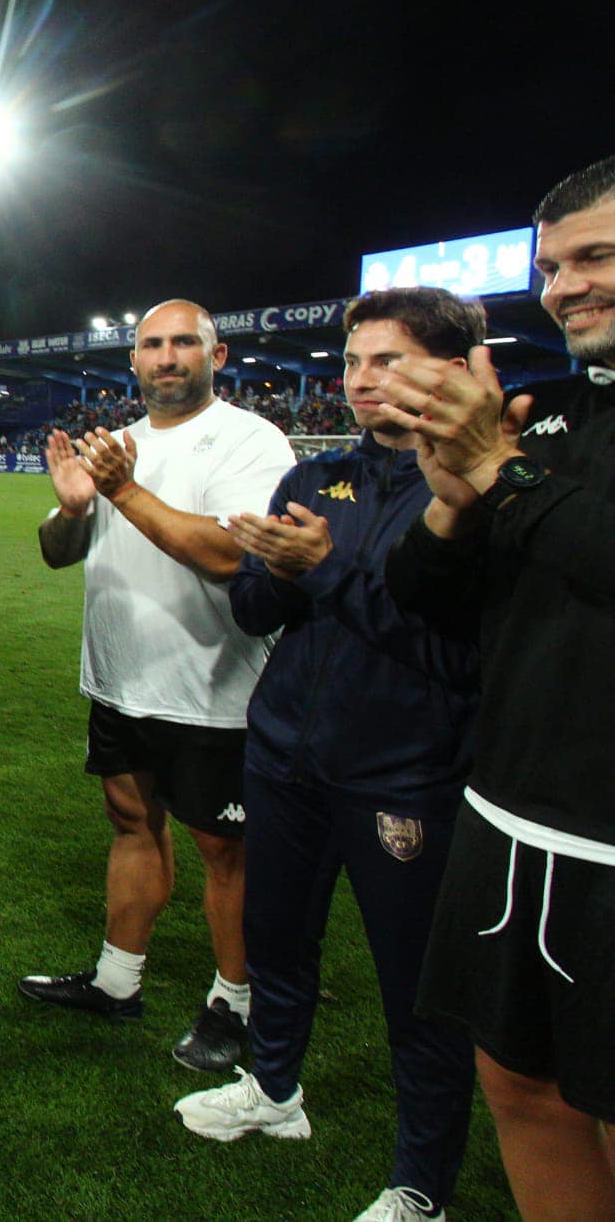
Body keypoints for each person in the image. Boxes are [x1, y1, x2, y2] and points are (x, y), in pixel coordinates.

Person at [172, 288, 485, 1222]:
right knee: (276, 945)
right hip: (282, 757)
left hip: (404, 775)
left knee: (415, 993)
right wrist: (270, 568)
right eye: (352, 363)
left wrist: (325, 570)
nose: (359, 381)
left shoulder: (469, 495)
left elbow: (451, 652)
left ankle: (420, 1185)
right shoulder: (317, 480)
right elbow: (257, 616)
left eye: (386, 361)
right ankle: (275, 1096)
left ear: (452, 368)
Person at [380, 156, 615, 1220]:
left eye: (593, 257)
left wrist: (502, 476)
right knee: (517, 1087)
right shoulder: (556, 415)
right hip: (505, 816)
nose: (563, 286)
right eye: (551, 267)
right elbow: (427, 597)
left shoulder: (526, 448)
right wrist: (447, 504)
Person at [21, 300, 296, 1072]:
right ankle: (117, 981)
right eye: (152, 344)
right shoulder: (119, 444)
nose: (167, 355)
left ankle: (235, 1005)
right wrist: (76, 508)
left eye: (184, 342)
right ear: (133, 360)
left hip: (215, 687)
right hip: (120, 679)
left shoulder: (250, 439)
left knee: (225, 850)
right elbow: (55, 547)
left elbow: (231, 555)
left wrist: (124, 491)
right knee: (131, 823)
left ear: (218, 354)